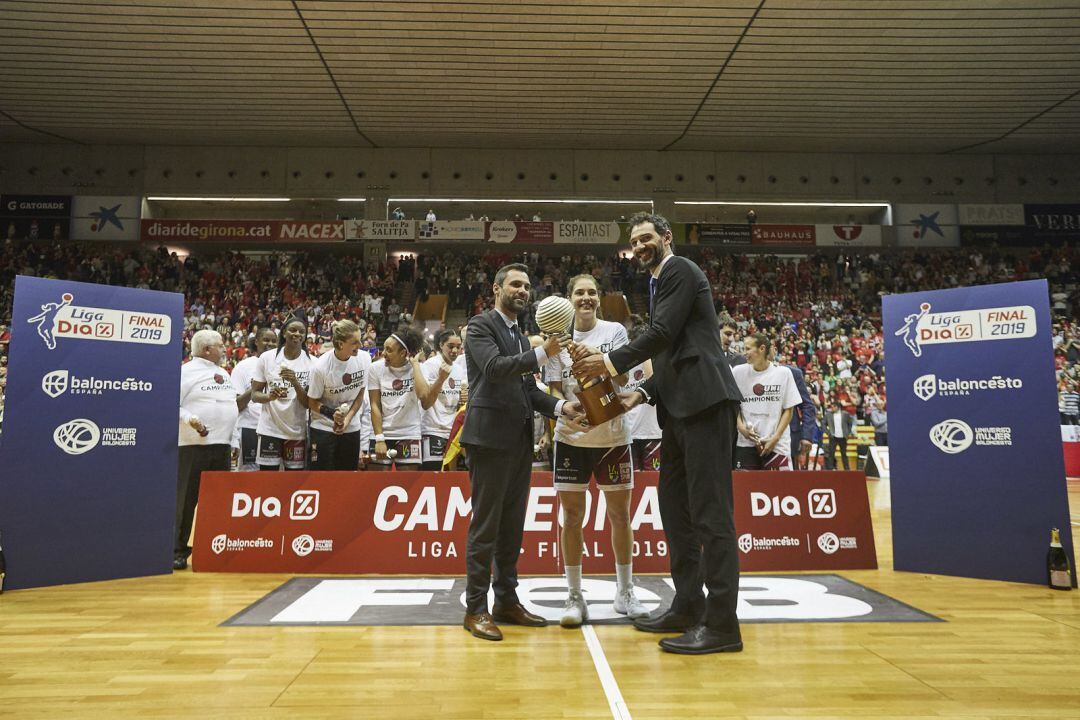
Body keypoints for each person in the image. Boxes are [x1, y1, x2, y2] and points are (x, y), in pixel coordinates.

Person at [571, 212, 744, 655]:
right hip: (680, 408)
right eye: (633, 240)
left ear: (666, 238)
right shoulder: (657, 282)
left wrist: (610, 364)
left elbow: (663, 334)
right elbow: (672, 350)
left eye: (646, 237)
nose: (639, 244)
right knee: (675, 510)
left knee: (711, 516)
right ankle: (688, 606)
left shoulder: (680, 270)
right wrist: (642, 393)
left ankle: (723, 625)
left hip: (705, 404)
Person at [460, 263, 581, 642]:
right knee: (486, 527)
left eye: (527, 286)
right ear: (497, 289)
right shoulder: (481, 326)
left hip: (517, 441)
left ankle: (506, 602)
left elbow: (528, 389)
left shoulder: (517, 336)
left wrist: (563, 408)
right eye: (515, 284)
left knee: (512, 528)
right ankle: (475, 607)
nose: (523, 290)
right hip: (487, 440)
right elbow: (496, 370)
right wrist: (544, 351)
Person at [544, 274, 648, 627]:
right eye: (579, 292)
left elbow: (621, 380)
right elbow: (555, 390)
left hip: (613, 437)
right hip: (571, 438)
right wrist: (565, 413)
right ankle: (574, 596)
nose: (585, 298)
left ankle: (625, 591)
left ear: (599, 299)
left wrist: (596, 355)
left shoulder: (614, 332)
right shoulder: (556, 340)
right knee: (571, 518)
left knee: (620, 516)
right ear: (569, 298)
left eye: (591, 292)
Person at [176, 330, 238, 570]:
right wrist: (190, 418)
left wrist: (233, 441)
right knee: (186, 501)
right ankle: (178, 551)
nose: (225, 350)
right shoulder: (185, 372)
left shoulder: (222, 373)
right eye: (220, 346)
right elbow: (171, 403)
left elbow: (230, 407)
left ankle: (215, 548)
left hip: (221, 445)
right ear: (206, 350)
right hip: (193, 445)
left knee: (218, 502)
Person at [250, 315, 314, 471]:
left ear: (305, 337)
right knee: (267, 478)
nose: (297, 334)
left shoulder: (313, 363)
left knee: (293, 480)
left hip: (297, 431)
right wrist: (270, 396)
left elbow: (307, 404)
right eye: (292, 330)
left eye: (301, 332)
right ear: (284, 333)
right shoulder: (267, 358)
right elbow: (255, 395)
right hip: (269, 429)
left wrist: (295, 383)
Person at [306, 320, 370, 470]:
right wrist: (331, 414)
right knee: (322, 479)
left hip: (351, 427)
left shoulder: (364, 359)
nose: (360, 346)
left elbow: (360, 393)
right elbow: (311, 402)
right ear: (341, 344)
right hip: (323, 427)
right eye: (355, 342)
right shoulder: (320, 367)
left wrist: (347, 420)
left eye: (360, 340)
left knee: (347, 478)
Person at [731, 334, 802, 471]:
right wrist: (741, 428)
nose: (744, 353)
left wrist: (775, 438)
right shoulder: (737, 372)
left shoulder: (783, 373)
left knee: (780, 490)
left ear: (762, 349)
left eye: (748, 348)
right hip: (746, 444)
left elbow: (789, 410)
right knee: (745, 490)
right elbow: (733, 406)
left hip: (777, 445)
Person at [368, 326, 429, 468]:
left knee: (408, 485)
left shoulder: (418, 368)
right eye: (384, 348)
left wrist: (415, 365)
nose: (383, 353)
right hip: (382, 433)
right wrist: (379, 439)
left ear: (403, 353)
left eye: (389, 350)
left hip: (409, 433)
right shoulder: (375, 368)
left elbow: (424, 396)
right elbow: (375, 405)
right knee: (377, 485)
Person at [419, 329, 468, 470]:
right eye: (450, 346)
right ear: (441, 345)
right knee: (432, 475)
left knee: (448, 478)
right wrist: (440, 379)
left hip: (452, 431)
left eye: (458, 347)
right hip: (432, 429)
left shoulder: (458, 369)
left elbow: (454, 400)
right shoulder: (430, 365)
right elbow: (426, 402)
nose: (455, 350)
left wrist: (461, 398)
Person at [230, 327, 277, 471]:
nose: (270, 343)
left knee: (274, 477)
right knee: (249, 476)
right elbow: (236, 405)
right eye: (266, 340)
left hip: (275, 429)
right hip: (250, 427)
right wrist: (255, 388)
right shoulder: (243, 367)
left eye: (274, 341)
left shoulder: (282, 365)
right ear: (256, 342)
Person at [624, 323, 662, 472]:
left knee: (653, 482)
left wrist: (646, 355)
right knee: (631, 484)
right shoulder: (623, 363)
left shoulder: (657, 360)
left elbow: (653, 380)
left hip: (652, 431)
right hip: (628, 432)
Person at [823, 401, 855, 470]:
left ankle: (847, 469)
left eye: (833, 407)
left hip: (843, 437)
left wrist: (847, 432)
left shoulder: (845, 414)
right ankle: (830, 469)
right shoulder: (828, 414)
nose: (832, 408)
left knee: (844, 454)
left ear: (838, 407)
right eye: (831, 407)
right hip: (833, 437)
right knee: (831, 454)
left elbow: (850, 423)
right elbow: (823, 424)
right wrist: (828, 433)